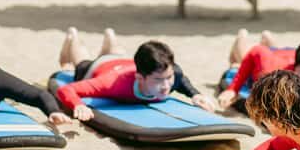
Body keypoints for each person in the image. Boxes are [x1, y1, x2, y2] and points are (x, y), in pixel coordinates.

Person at [55, 27, 214, 121]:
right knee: (81, 63)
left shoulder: (173, 74)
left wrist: (195, 94)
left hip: (123, 59)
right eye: (158, 80)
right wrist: (78, 105)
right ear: (140, 78)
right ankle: (73, 37)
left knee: (117, 52)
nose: (166, 86)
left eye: (168, 78)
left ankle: (110, 38)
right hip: (102, 67)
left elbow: (181, 79)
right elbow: (66, 90)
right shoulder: (111, 84)